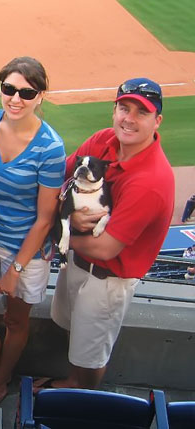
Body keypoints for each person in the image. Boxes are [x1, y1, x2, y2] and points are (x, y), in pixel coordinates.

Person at [34, 77, 174, 391]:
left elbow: (106, 248)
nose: (129, 118)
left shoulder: (152, 181)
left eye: (142, 112)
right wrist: (65, 225)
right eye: (124, 108)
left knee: (91, 355)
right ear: (114, 110)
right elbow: (60, 177)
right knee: (78, 336)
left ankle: (84, 401)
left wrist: (56, 233)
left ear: (157, 120)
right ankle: (72, 383)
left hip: (107, 279)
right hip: (77, 262)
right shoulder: (103, 141)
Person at [0, 57, 65, 406]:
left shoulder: (50, 148)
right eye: (9, 89)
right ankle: (1, 371)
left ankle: (0, 379)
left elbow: (45, 219)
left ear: (40, 96)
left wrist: (16, 268)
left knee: (15, 322)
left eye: (26, 92)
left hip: (28, 249)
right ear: (0, 89)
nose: (15, 99)